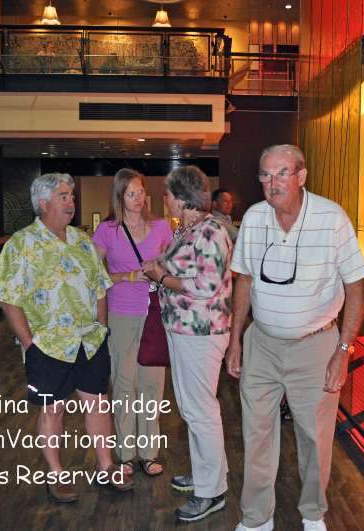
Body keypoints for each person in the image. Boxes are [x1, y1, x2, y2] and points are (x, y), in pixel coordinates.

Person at [226, 145, 364, 531]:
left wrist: (343, 350)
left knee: (314, 437)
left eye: (282, 174)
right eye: (265, 175)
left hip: (316, 345)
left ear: (301, 176)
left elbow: (356, 287)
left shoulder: (331, 218)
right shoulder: (253, 218)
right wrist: (235, 340)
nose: (272, 183)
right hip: (262, 343)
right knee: (256, 433)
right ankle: (257, 518)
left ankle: (313, 514)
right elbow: (244, 281)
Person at [0, 173, 133, 503]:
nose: (71, 203)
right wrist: (30, 346)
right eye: (63, 197)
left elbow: (100, 286)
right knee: (53, 410)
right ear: (43, 204)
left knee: (98, 404)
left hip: (89, 342)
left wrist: (101, 327)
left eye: (71, 197)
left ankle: (106, 465)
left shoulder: (82, 240)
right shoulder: (20, 244)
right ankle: (56, 474)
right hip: (48, 346)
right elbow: (9, 299)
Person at [141, 165, 233, 523]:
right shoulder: (188, 228)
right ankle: (210, 473)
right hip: (184, 330)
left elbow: (206, 286)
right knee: (196, 409)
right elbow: (176, 270)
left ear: (182, 198)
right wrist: (157, 272)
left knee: (200, 411)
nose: (164, 199)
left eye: (167, 194)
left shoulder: (210, 230)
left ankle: (211, 492)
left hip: (201, 332)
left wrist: (162, 276)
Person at [91, 169, 172, 479]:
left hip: (154, 314)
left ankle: (148, 453)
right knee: (124, 384)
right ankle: (125, 455)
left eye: (141, 192)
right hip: (121, 313)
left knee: (152, 385)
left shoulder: (162, 227)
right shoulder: (107, 231)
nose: (138, 198)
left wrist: (160, 271)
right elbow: (93, 275)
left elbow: (172, 267)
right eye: (130, 193)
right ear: (119, 197)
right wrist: (127, 276)